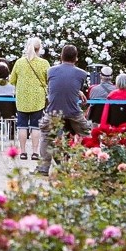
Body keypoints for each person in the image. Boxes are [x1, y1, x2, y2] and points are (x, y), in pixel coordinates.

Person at [34, 44, 90, 176]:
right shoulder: (82, 73)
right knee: (86, 133)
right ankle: (88, 164)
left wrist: (77, 92)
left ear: (61, 56)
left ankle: (43, 168)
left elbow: (59, 86)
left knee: (46, 136)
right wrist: (79, 92)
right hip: (73, 112)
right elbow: (72, 86)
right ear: (76, 58)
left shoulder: (51, 71)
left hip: (53, 111)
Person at [9, 37, 49, 161]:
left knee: (22, 126)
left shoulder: (19, 62)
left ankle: (23, 152)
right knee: (36, 126)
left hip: (22, 99)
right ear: (39, 48)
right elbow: (48, 79)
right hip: (38, 98)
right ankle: (35, 152)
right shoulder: (44, 63)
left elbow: (12, 80)